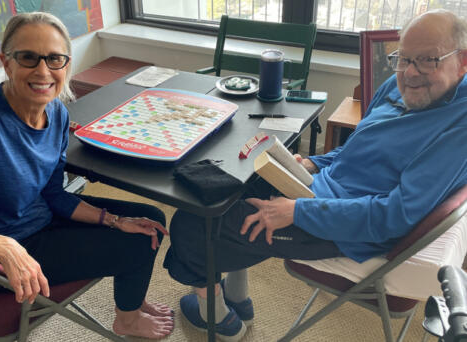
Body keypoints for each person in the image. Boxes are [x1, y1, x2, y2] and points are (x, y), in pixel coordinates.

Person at [163, 9, 467, 342]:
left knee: (194, 223)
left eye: (427, 61)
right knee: (224, 185)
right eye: (403, 59)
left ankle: (219, 320)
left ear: (462, 61)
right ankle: (238, 299)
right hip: (318, 190)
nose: (409, 73)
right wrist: (314, 164)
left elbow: (393, 217)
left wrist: (295, 211)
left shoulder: (459, 127)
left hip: (348, 227)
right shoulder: (396, 87)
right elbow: (358, 150)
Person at [0, 12, 174, 339]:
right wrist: (1, 245)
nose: (43, 71)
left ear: (66, 64)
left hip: (39, 221)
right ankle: (126, 319)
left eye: (54, 59)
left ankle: (131, 305)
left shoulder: (56, 112)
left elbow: (53, 194)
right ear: (6, 62)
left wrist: (113, 219)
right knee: (137, 246)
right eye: (29, 57)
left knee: (147, 218)